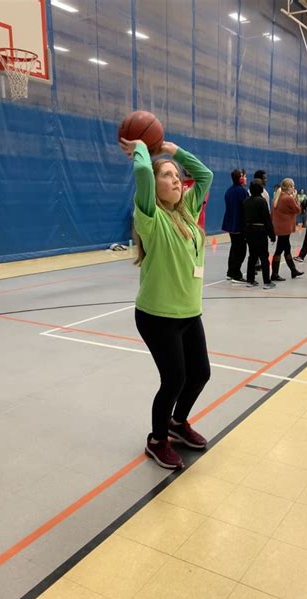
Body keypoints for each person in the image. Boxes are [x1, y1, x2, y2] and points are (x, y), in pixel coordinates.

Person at [119, 137, 213, 470]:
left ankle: (177, 423)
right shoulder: (150, 217)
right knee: (174, 379)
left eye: (177, 176)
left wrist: (175, 152)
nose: (175, 180)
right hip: (157, 316)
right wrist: (143, 147)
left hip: (190, 313)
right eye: (168, 176)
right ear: (154, 188)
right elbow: (143, 170)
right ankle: (157, 440)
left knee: (200, 374)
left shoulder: (187, 212)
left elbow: (205, 176)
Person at [243, 179, 276, 288]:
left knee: (252, 256)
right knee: (263, 257)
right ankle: (267, 282)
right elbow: (267, 220)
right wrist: (272, 234)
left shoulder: (246, 201)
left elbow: (243, 219)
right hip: (260, 232)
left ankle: (250, 280)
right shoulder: (262, 201)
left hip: (249, 232)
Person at [271, 178, 304, 281]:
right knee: (279, 250)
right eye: (293, 186)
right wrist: (296, 198)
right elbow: (298, 210)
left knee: (287, 249)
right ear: (289, 187)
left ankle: (293, 270)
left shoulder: (277, 197)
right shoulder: (288, 198)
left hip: (280, 228)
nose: (294, 188)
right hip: (284, 229)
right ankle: (275, 274)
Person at [222, 169, 248, 282]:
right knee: (241, 250)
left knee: (234, 248)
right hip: (239, 225)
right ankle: (236, 274)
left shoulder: (228, 191)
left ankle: (230, 272)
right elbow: (246, 209)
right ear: (240, 178)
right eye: (244, 176)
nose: (245, 178)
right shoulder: (242, 192)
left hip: (230, 225)